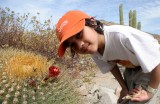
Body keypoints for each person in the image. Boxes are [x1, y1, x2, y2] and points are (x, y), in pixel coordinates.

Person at [55, 10, 160, 104]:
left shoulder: (121, 36)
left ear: (92, 23)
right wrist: (124, 88)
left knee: (138, 100)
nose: (80, 45)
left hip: (151, 67)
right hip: (131, 69)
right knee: (126, 99)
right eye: (72, 45)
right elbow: (111, 66)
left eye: (79, 34)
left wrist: (150, 92)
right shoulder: (93, 49)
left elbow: (156, 60)